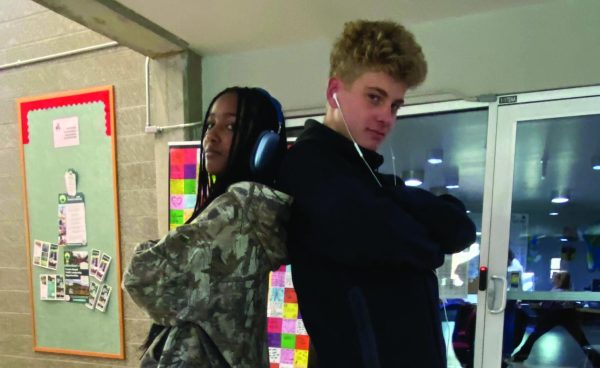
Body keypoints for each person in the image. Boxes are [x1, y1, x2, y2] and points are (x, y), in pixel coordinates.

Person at [277, 20, 476, 367]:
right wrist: (418, 223)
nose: (386, 117)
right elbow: (415, 245)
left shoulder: (367, 176)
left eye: (395, 106)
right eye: (374, 97)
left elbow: (459, 229)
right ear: (333, 92)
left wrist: (393, 199)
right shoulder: (308, 168)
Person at [122, 87, 292, 367]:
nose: (211, 136)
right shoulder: (260, 212)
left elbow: (141, 274)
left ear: (263, 145)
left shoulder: (235, 211)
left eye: (231, 126)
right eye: (210, 124)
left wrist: (159, 246)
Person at [510, 271, 600, 365]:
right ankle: (597, 362)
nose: (552, 278)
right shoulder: (562, 290)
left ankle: (519, 357)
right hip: (565, 315)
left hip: (555, 315)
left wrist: (531, 302)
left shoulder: (560, 292)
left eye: (555, 277)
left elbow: (547, 303)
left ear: (559, 280)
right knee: (582, 340)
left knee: (534, 336)